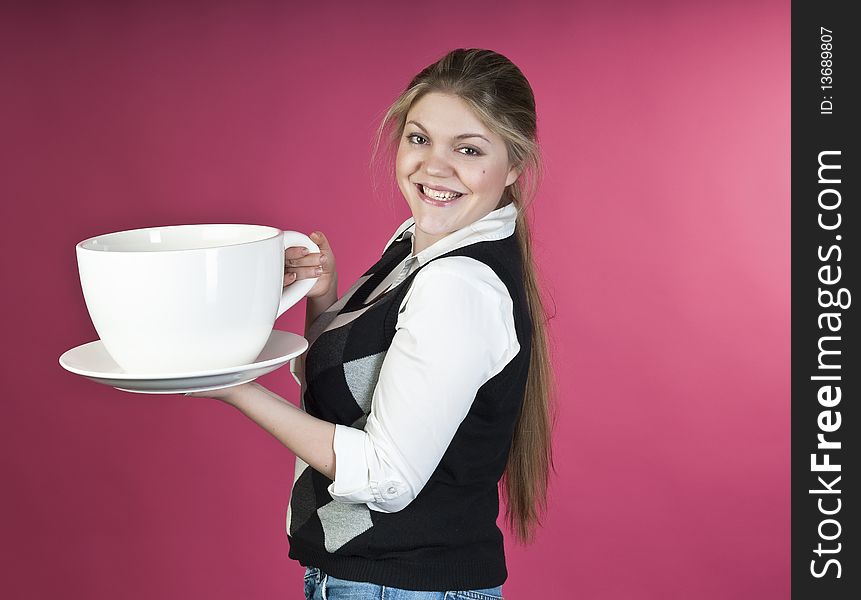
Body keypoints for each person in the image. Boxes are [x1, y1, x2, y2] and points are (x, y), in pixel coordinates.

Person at [189, 48, 556, 600]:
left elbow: (384, 476)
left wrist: (236, 390)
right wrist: (325, 298)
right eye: (419, 138)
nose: (434, 166)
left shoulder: (457, 284)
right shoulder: (417, 247)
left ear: (515, 166)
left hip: (399, 588)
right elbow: (352, 398)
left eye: (469, 149)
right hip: (374, 582)